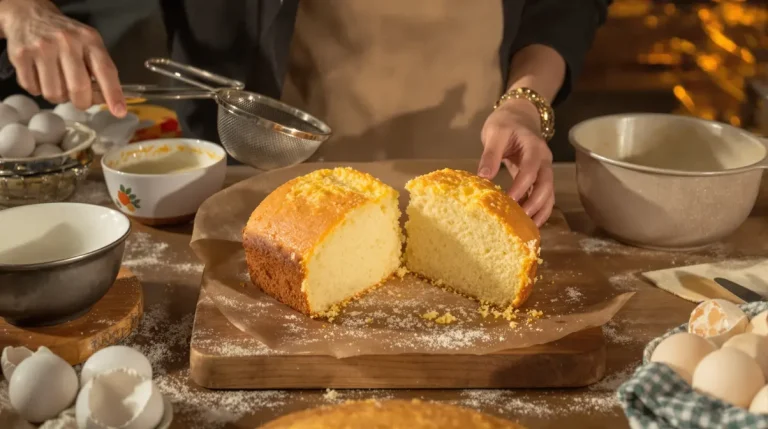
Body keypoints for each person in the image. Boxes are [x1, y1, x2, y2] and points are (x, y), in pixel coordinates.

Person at [0, 0, 610, 226]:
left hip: (472, 162)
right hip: (263, 182)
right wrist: (22, 8)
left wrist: (526, 101)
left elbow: (564, 7)